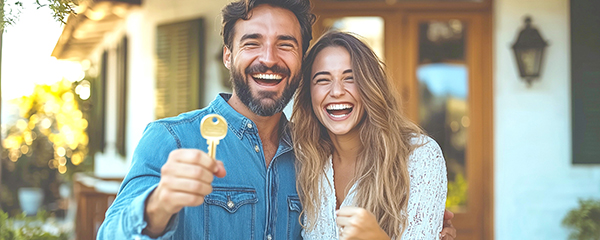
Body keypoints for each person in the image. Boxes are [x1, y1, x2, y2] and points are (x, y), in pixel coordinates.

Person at [97, 0, 457, 239]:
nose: (268, 58)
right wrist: (158, 204)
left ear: (300, 61)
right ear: (228, 55)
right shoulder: (173, 139)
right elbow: (111, 232)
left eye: (285, 44)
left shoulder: (310, 152)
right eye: (252, 42)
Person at [291, 31, 448, 239]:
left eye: (350, 78)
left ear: (369, 86)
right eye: (322, 80)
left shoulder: (419, 157)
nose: (336, 91)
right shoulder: (302, 158)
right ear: (308, 94)